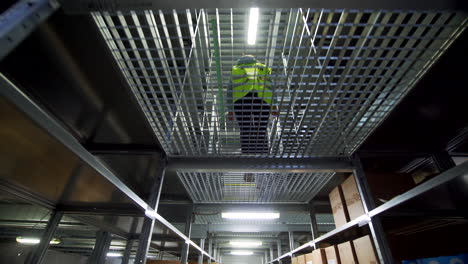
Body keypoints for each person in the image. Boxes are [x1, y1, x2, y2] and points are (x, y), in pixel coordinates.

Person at [227, 55, 277, 155]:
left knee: (245, 129)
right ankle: (263, 155)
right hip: (262, 100)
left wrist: (230, 110)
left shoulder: (236, 70)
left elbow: (229, 91)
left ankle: (247, 155)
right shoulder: (261, 67)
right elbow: (271, 87)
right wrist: (274, 105)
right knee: (261, 128)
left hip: (241, 101)